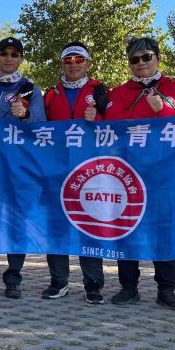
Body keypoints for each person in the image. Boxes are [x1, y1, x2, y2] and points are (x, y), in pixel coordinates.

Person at [105, 36, 175, 311]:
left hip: (165, 174)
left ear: (158, 58)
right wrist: (151, 114)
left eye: (147, 57)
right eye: (134, 59)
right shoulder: (118, 92)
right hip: (129, 172)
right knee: (127, 229)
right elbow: (112, 123)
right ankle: (128, 287)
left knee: (163, 230)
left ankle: (166, 289)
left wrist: (164, 111)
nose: (141, 63)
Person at [0, 37, 45, 299]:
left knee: (17, 221)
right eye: (4, 53)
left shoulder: (31, 90)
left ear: (21, 59)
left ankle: (13, 278)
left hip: (19, 168)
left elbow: (42, 127)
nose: (8, 58)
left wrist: (25, 116)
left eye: (15, 54)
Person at [42, 42, 108, 303]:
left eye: (78, 59)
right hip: (56, 171)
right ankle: (58, 282)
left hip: (90, 172)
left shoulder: (101, 91)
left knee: (89, 225)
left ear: (88, 63)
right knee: (56, 227)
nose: (73, 64)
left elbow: (118, 128)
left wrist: (98, 119)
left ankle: (93, 285)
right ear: (61, 64)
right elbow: (38, 129)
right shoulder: (50, 94)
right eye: (68, 60)